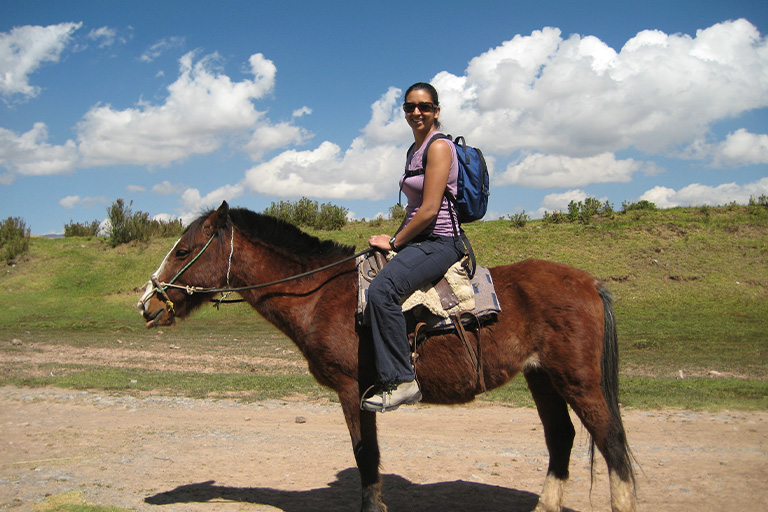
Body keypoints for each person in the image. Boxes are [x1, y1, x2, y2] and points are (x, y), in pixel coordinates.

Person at [361, 82, 465, 412]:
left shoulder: (438, 148)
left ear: (436, 110)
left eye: (423, 106)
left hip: (440, 242)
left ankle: (402, 380)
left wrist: (396, 242)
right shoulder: (413, 151)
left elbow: (430, 209)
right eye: (409, 107)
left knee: (381, 292)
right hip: (419, 240)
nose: (416, 112)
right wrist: (391, 240)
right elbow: (412, 209)